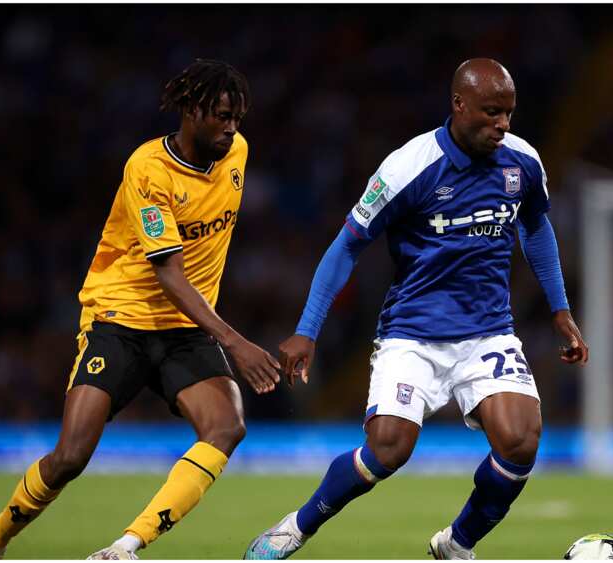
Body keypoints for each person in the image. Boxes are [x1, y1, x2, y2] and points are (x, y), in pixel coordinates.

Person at [243, 58, 588, 560]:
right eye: (492, 113)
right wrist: (307, 330)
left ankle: (457, 544)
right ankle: (295, 527)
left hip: (488, 333)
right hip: (412, 334)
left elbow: (535, 227)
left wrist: (560, 310)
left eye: (509, 114)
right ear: (459, 104)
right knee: (388, 450)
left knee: (520, 440)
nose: (503, 125)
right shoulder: (409, 166)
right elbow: (347, 246)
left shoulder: (523, 162)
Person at [0, 59, 282, 560]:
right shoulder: (148, 169)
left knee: (226, 427)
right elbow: (169, 272)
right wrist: (235, 341)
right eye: (222, 115)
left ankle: (126, 546)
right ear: (191, 109)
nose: (232, 128)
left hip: (185, 328)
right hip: (122, 318)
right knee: (71, 456)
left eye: (238, 117)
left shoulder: (237, 153)